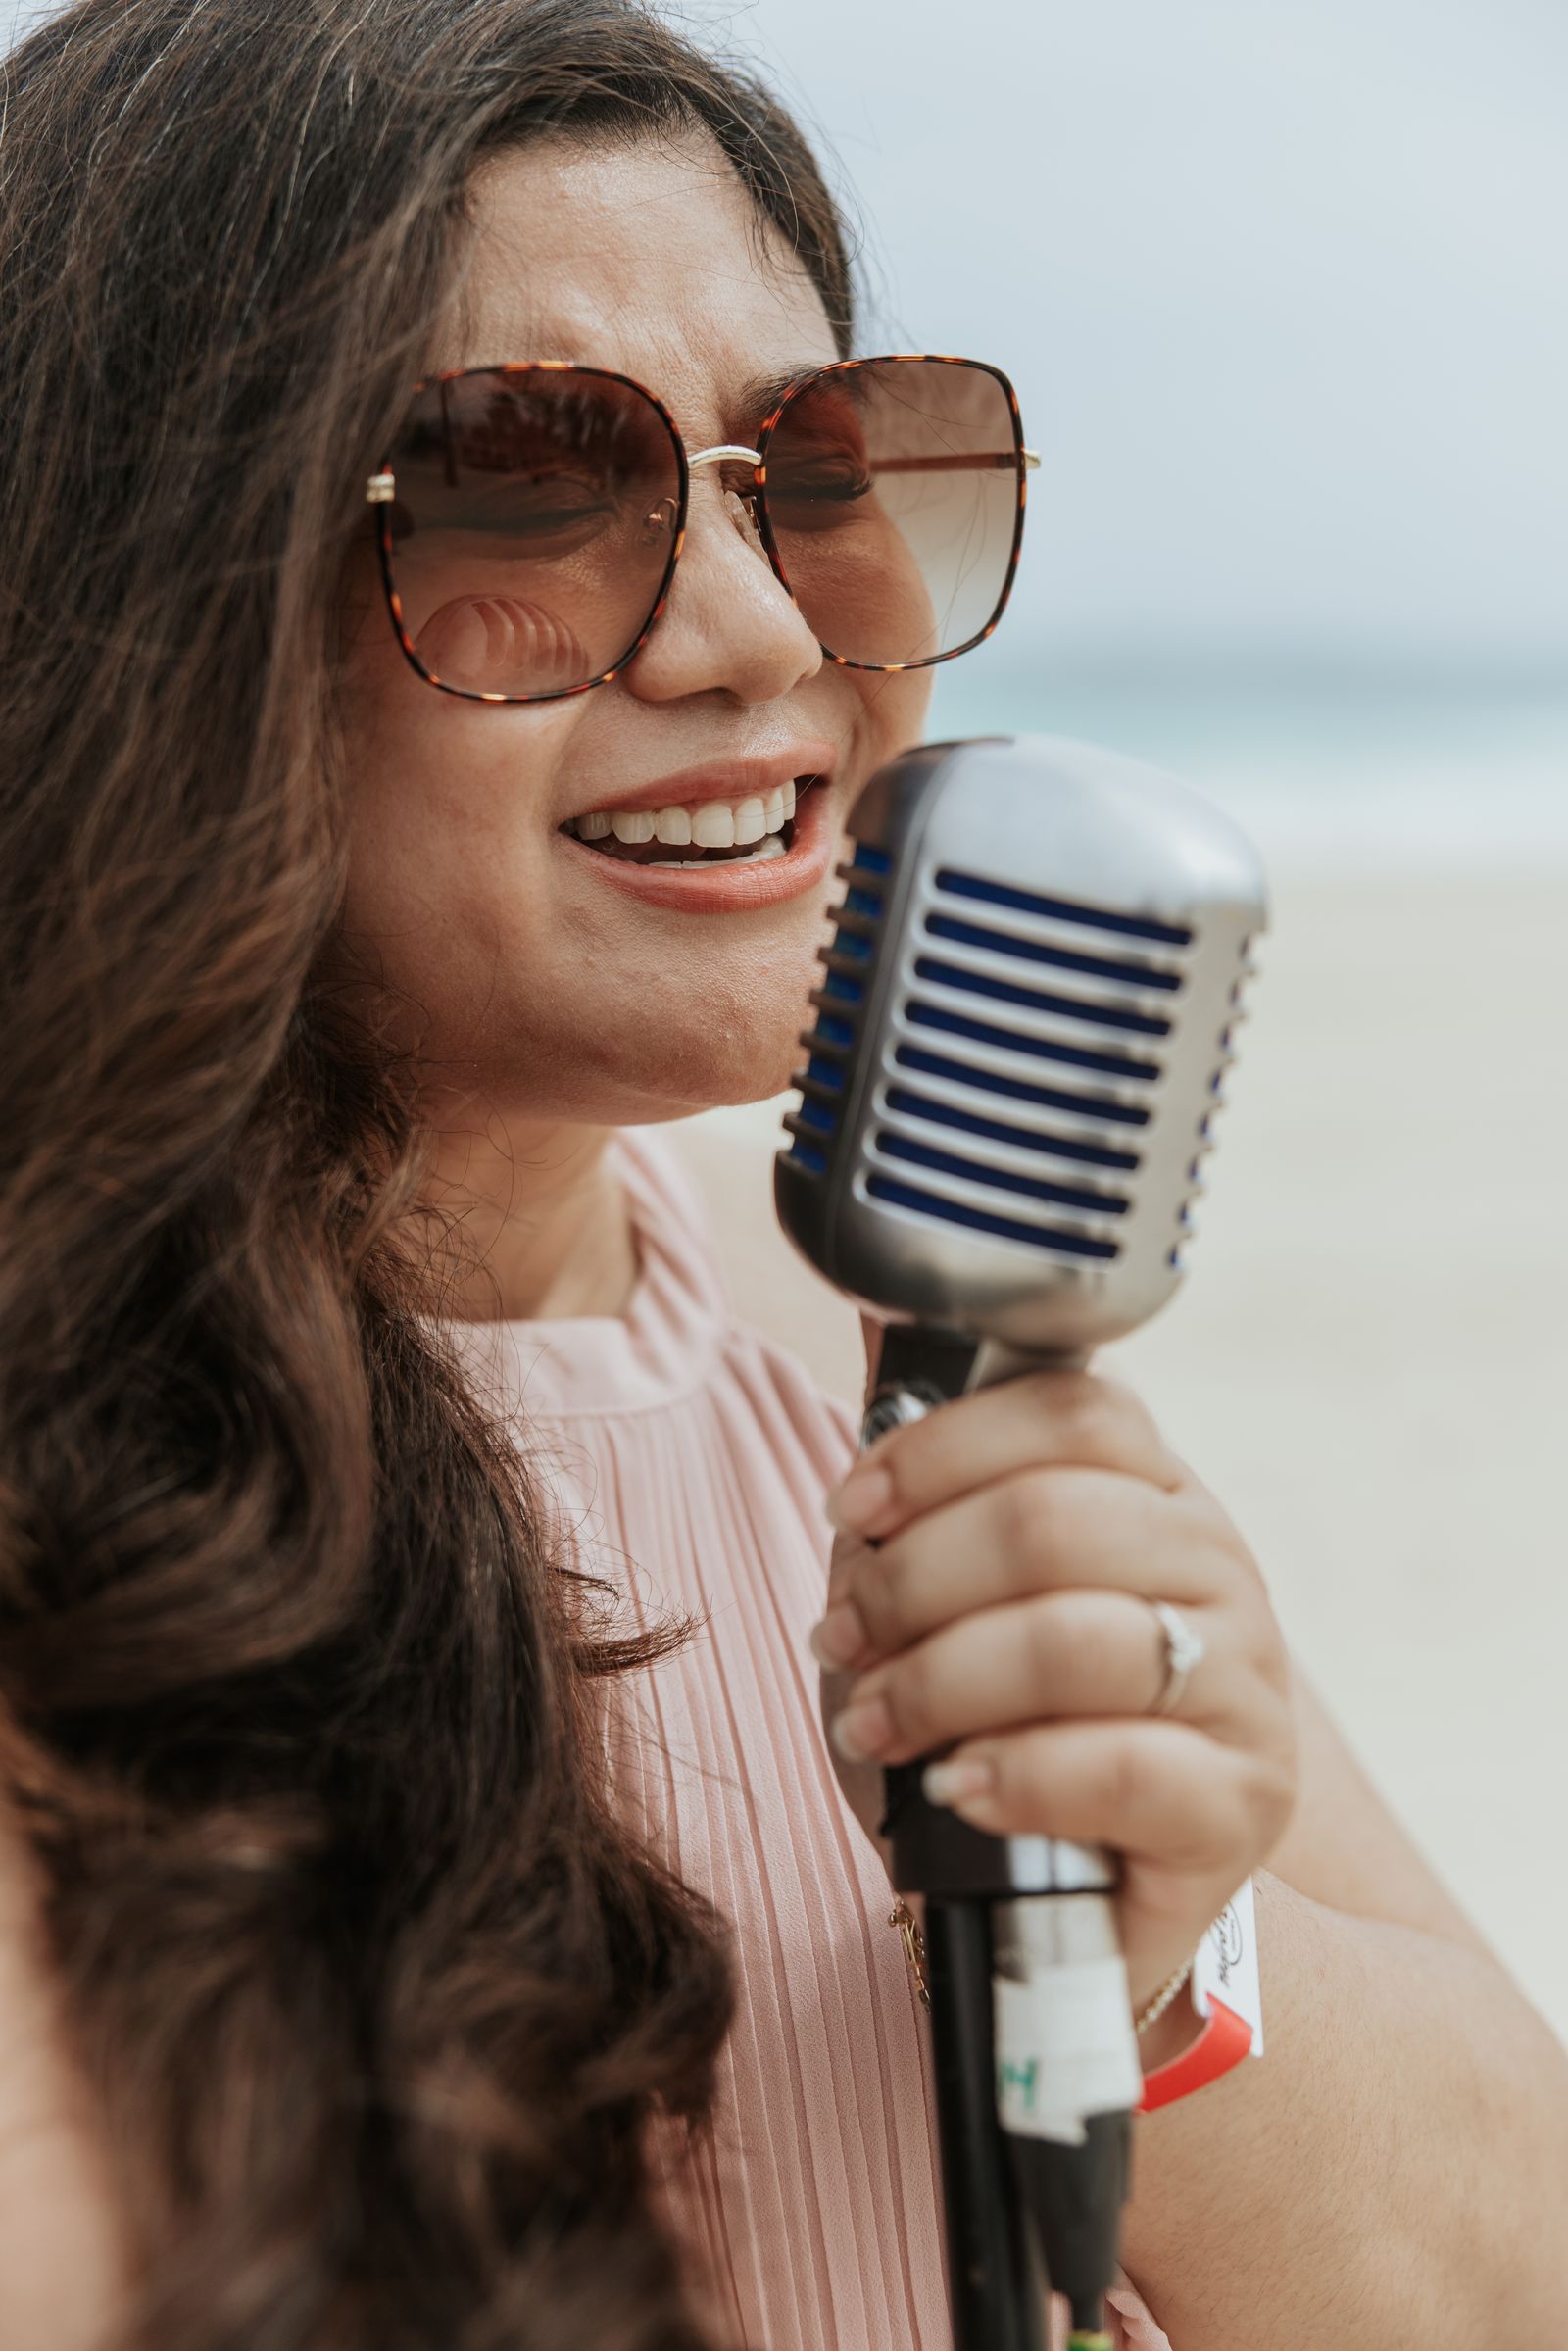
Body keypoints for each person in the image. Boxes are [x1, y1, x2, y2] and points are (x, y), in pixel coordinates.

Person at [0, 3, 1562, 2347]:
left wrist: (1151, 1954)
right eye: (526, 482)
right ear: (153, 602)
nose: (757, 635)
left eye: (811, 468)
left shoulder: (872, 1345)